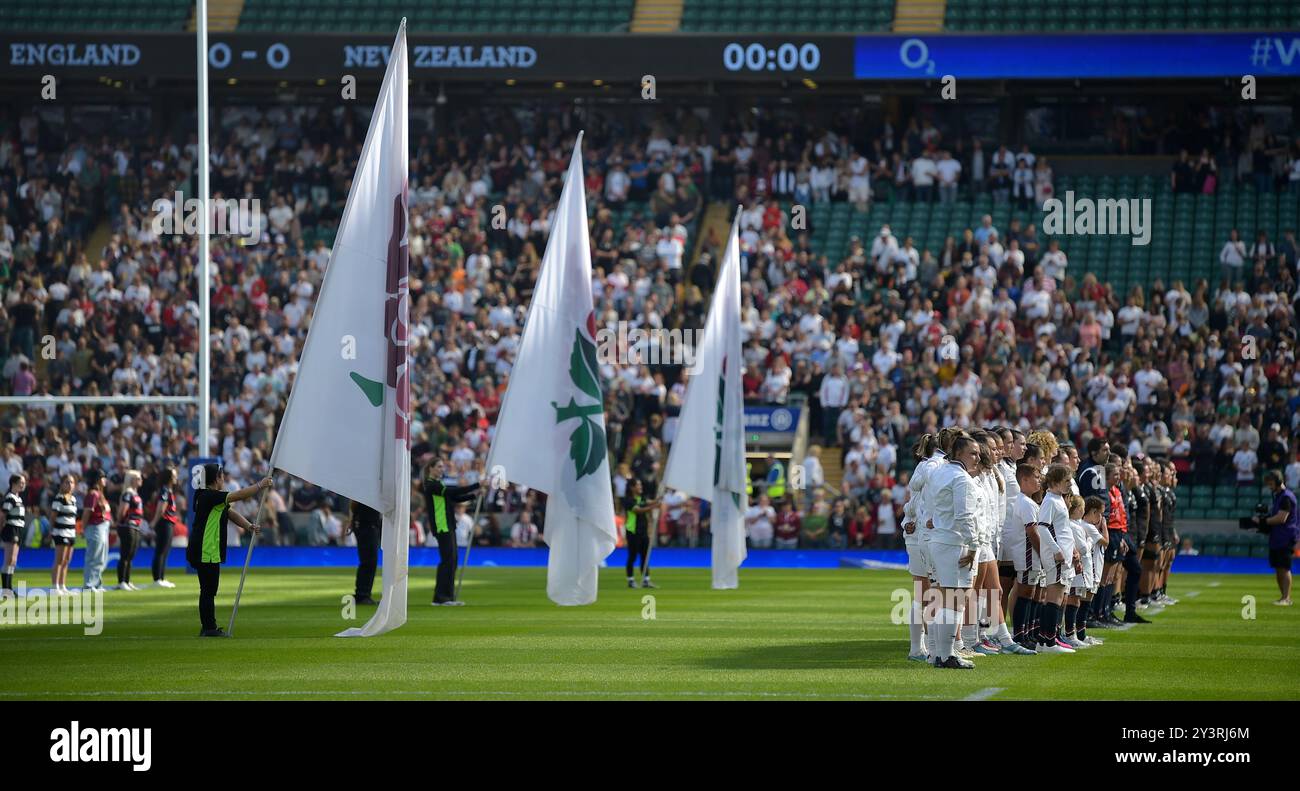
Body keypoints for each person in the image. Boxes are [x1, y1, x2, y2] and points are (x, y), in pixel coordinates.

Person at [186, 464, 269, 637]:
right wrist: (260, 485)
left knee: (208, 589)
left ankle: (208, 626)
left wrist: (249, 526)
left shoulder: (206, 496)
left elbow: (230, 513)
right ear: (216, 479)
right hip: (206, 550)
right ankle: (209, 628)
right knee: (208, 590)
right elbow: (238, 495)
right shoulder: (210, 496)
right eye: (222, 476)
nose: (224, 479)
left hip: (207, 549)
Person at [927, 435, 981, 669]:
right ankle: (947, 655)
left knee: (945, 599)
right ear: (959, 454)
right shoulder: (962, 479)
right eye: (973, 453)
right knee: (955, 600)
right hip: (954, 543)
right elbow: (964, 516)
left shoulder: (939, 472)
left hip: (938, 539)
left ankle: (940, 653)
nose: (978, 457)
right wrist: (974, 546)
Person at [422, 458, 480, 606]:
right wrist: (477, 485)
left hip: (448, 525)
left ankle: (447, 596)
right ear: (431, 468)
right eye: (439, 467)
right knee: (448, 561)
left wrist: (475, 495)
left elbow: (454, 498)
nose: (442, 469)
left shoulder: (438, 484)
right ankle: (441, 598)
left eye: (443, 467)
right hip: (442, 527)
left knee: (452, 561)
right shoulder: (431, 485)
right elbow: (453, 491)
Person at [1254, 470, 1297, 605]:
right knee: (1278, 568)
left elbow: (1281, 518)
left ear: (1279, 481)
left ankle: (1287, 598)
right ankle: (1283, 597)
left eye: (1271, 483)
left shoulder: (1286, 497)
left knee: (1284, 568)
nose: (1269, 486)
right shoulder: (1278, 496)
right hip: (1277, 537)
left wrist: (1263, 522)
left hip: (1286, 537)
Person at [622, 478, 660, 588]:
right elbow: (637, 510)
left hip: (643, 531)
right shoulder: (628, 500)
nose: (640, 487)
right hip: (633, 531)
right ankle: (630, 580)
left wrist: (659, 499)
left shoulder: (642, 498)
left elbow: (650, 501)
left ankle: (646, 580)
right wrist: (653, 507)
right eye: (638, 485)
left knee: (645, 556)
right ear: (632, 487)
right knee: (632, 556)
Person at [80, 470, 112, 592]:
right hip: (95, 526)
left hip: (103, 526)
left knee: (101, 557)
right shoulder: (93, 494)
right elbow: (87, 512)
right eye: (103, 477)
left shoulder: (100, 494)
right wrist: (82, 528)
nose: (105, 480)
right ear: (98, 479)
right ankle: (88, 584)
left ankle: (97, 583)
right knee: (93, 556)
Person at [150, 467, 181, 588]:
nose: (175, 478)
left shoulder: (168, 490)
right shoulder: (164, 490)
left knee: (165, 551)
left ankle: (161, 578)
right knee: (160, 551)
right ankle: (157, 578)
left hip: (169, 522)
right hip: (164, 522)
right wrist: (154, 521)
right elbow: (161, 507)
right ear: (168, 478)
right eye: (173, 476)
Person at [346, 500, 381, 606]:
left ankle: (363, 594)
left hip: (365, 523)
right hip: (366, 524)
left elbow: (353, 502)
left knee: (368, 561)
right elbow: (354, 501)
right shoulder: (367, 490)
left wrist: (352, 520)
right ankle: (362, 595)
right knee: (369, 561)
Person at [114, 470, 145, 591]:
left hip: (135, 526)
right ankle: (121, 581)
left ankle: (127, 580)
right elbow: (122, 510)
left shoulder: (135, 493)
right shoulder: (128, 493)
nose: (140, 480)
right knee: (125, 554)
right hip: (128, 526)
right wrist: (122, 521)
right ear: (132, 480)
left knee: (131, 555)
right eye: (138, 478)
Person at [50, 474, 78, 594]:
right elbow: (53, 517)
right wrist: (53, 531)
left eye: (71, 482)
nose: (69, 485)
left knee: (67, 560)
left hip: (71, 533)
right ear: (61, 484)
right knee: (59, 560)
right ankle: (55, 586)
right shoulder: (59, 498)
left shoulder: (73, 499)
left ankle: (62, 585)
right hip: (61, 532)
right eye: (67, 482)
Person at [1, 472, 26, 597]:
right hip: (11, 528)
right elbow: (3, 514)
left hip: (18, 529)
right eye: (21, 482)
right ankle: (6, 589)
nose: (23, 485)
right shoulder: (10, 497)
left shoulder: (18, 498)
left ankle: (9, 588)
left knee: (13, 561)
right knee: (8, 559)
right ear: (14, 483)